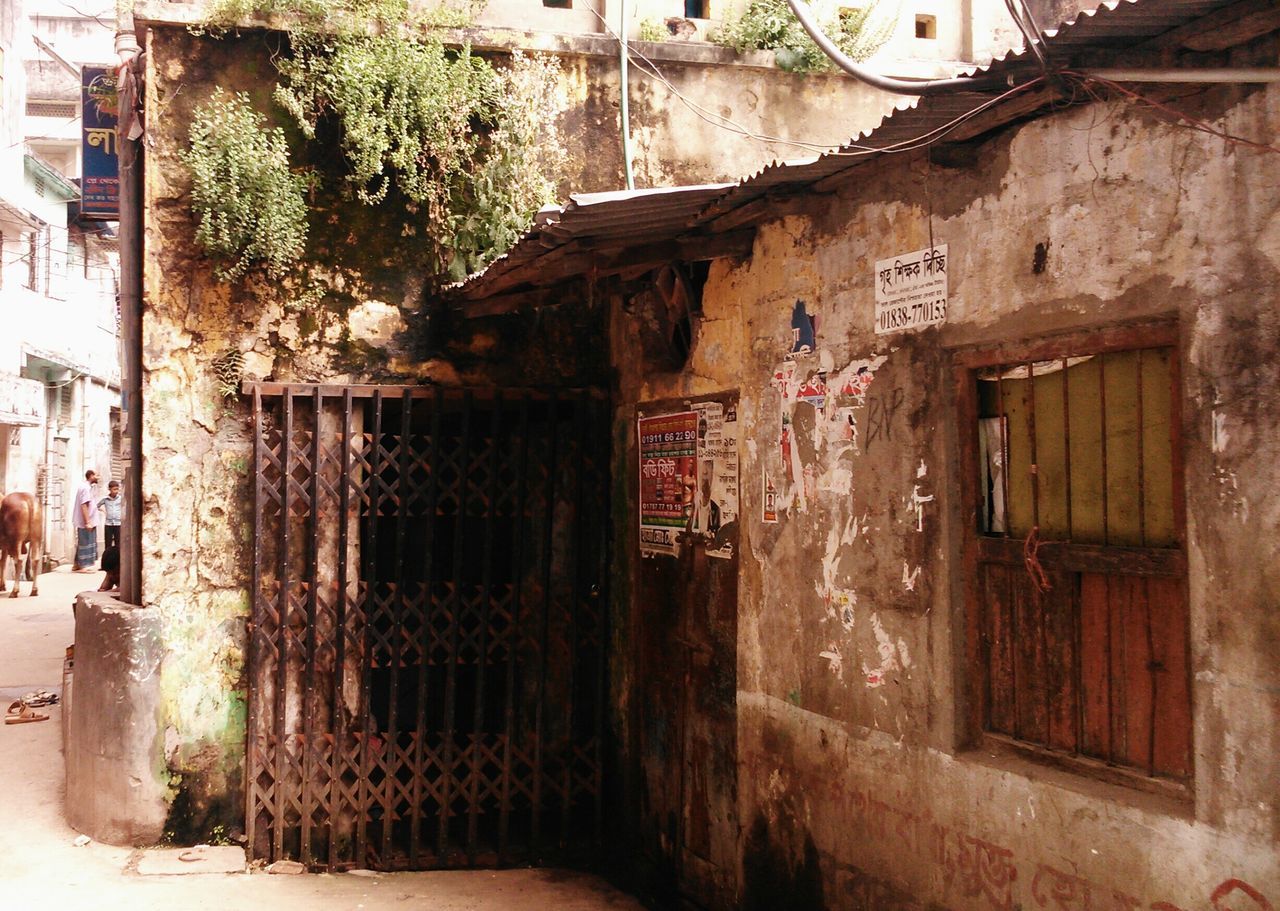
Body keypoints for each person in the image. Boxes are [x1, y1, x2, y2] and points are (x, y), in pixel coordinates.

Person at [72, 469, 98, 573]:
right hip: (86, 521)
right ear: (91, 476)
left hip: (88, 520)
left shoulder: (86, 487)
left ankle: (77, 564)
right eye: (97, 475)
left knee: (83, 542)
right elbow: (84, 505)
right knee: (85, 542)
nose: (98, 477)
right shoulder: (85, 488)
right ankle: (83, 566)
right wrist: (88, 521)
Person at [98, 480, 122, 550]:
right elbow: (96, 506)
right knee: (108, 543)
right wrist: (102, 510)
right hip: (108, 524)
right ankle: (107, 558)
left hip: (118, 524)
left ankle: (117, 559)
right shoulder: (105, 499)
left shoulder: (120, 498)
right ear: (109, 489)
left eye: (117, 489)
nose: (116, 491)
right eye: (114, 489)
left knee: (118, 543)